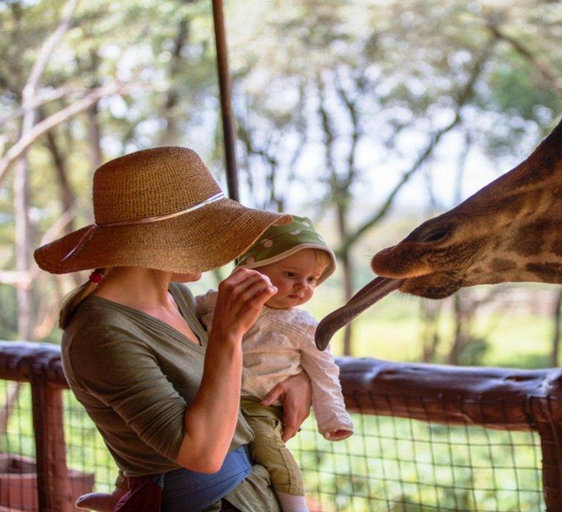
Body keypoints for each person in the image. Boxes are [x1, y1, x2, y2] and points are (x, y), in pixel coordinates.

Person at [34, 146, 313, 512]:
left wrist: (299, 378)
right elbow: (202, 454)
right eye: (208, 230)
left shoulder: (176, 295)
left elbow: (227, 381)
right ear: (172, 236)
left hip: (250, 491)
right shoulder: (101, 332)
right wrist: (228, 335)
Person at [196, 216, 354, 512]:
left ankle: (296, 505)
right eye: (292, 274)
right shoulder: (218, 301)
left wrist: (334, 418)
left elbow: (325, 373)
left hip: (260, 405)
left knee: (269, 450)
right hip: (210, 393)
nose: (302, 287)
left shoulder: (304, 326)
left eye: (312, 280)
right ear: (250, 270)